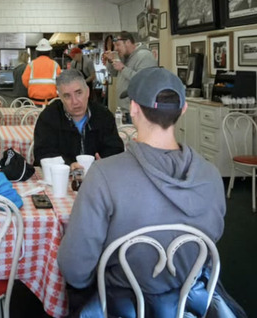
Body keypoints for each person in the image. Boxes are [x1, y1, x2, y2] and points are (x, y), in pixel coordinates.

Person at [57, 67, 227, 317]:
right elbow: (211, 243)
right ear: (183, 109)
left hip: (123, 305)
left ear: (134, 109)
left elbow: (75, 269)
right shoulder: (211, 175)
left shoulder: (104, 175)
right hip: (190, 305)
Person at [33, 69, 124, 172]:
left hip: (99, 174)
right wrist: (68, 165)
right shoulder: (48, 118)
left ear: (87, 92)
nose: (75, 101)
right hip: (62, 176)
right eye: (67, 96)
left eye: (79, 93)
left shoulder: (104, 115)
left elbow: (116, 149)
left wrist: (104, 160)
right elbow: (42, 153)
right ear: (60, 98)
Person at [103, 31, 157, 112]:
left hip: (138, 110)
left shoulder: (145, 56)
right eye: (115, 45)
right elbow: (114, 73)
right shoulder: (124, 57)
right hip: (124, 108)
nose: (116, 49)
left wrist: (123, 68)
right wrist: (111, 61)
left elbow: (144, 81)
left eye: (118, 45)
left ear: (128, 42)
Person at [22, 38, 62, 105]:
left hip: (34, 102)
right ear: (49, 52)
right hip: (51, 102)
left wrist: (33, 88)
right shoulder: (55, 65)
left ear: (37, 52)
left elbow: (24, 80)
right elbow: (60, 82)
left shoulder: (31, 64)